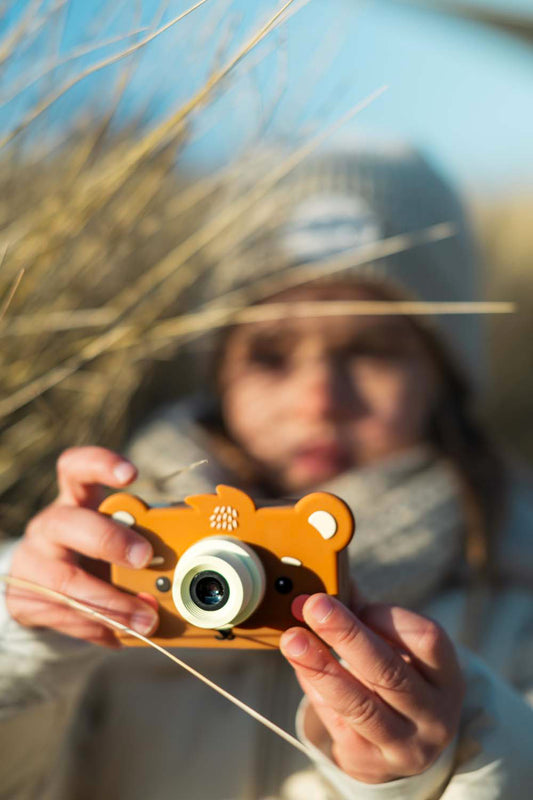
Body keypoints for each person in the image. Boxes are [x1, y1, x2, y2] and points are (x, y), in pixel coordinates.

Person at [1, 143, 532, 800]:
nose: (317, 398)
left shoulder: (512, 588)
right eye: (271, 355)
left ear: (443, 376)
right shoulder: (105, 557)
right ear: (218, 370)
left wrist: (446, 759)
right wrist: (23, 645)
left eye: (369, 350)